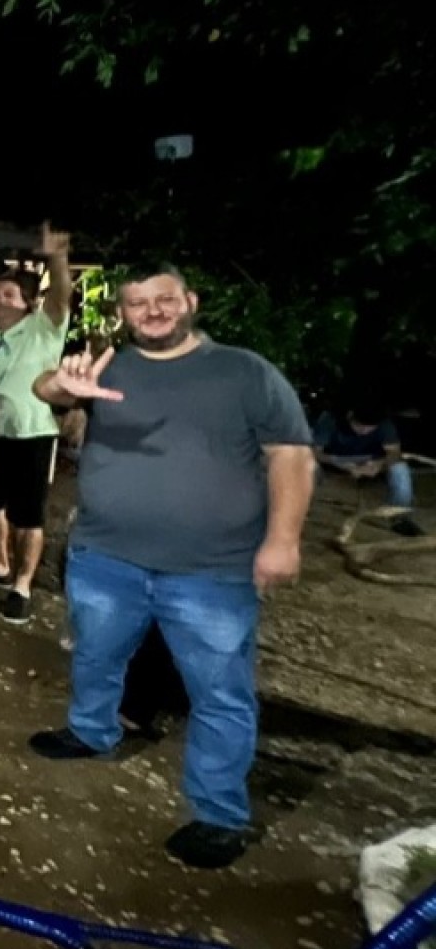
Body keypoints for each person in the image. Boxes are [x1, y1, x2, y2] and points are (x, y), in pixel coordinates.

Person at [27, 263, 314, 870]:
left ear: (191, 300)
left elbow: (290, 453)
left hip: (210, 569)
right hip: (106, 555)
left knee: (220, 691)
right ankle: (91, 731)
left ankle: (219, 813)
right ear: (124, 314)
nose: (152, 312)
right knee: (97, 655)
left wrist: (283, 538)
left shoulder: (244, 372)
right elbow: (46, 391)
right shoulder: (113, 366)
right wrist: (61, 386)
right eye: (137, 304)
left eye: (163, 299)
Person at [0, 224, 73, 622]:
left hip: (32, 433)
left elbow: (61, 294)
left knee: (29, 515)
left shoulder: (45, 328)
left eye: (9, 294)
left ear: (28, 302)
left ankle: (22, 585)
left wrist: (57, 258)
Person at [314, 403, 423, 536]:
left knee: (400, 468)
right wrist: (338, 463)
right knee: (308, 466)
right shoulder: (329, 419)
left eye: (370, 428)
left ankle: (399, 519)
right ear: (350, 416)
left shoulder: (384, 423)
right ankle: (301, 513)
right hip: (336, 459)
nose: (364, 431)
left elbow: (394, 453)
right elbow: (314, 452)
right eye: (360, 426)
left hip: (371, 460)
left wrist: (378, 465)